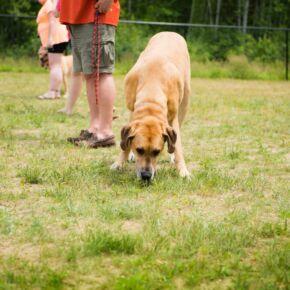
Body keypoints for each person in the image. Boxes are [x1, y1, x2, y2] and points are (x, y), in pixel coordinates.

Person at [59, 0, 120, 148]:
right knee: (90, 73)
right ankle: (95, 128)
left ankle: (105, 131)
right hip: (77, 15)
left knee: (101, 72)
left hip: (94, 12)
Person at [37, 0, 70, 99]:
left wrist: (50, 38)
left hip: (56, 37)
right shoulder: (52, 3)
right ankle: (56, 92)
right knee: (57, 65)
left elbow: (52, 20)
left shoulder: (49, 3)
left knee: (54, 65)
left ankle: (52, 92)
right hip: (59, 36)